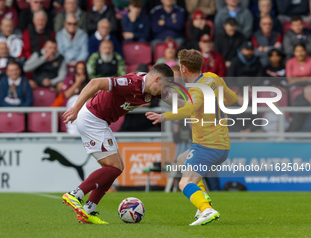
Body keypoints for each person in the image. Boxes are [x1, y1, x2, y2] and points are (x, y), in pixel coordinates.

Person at [61, 63, 174, 224]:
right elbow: (95, 83)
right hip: (92, 117)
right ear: (157, 79)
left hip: (101, 121)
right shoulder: (130, 83)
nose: (164, 90)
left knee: (118, 168)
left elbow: (178, 102)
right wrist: (75, 109)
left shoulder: (152, 89)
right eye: (164, 86)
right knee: (113, 167)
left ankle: (88, 210)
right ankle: (75, 194)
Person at [145, 49, 238, 226]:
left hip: (206, 146)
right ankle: (203, 203)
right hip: (221, 145)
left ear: (184, 68)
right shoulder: (213, 78)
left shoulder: (197, 89)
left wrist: (163, 117)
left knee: (184, 183)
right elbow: (231, 98)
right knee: (181, 159)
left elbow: (188, 110)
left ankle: (206, 209)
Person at [60, 62, 90, 135]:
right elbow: (67, 94)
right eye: (79, 69)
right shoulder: (68, 79)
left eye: (83, 69)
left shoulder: (89, 82)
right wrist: (78, 83)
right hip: (70, 107)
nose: (81, 71)